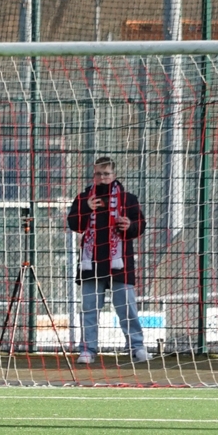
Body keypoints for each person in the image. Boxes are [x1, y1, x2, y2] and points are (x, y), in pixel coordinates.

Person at [66, 156, 148, 364]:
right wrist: (86, 208)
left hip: (120, 263)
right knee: (89, 309)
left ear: (114, 175)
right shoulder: (84, 198)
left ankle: (137, 347)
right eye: (98, 174)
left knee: (127, 308)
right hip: (91, 263)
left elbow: (140, 225)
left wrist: (129, 225)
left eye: (106, 174)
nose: (102, 178)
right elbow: (74, 224)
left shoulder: (128, 199)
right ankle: (88, 349)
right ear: (93, 175)